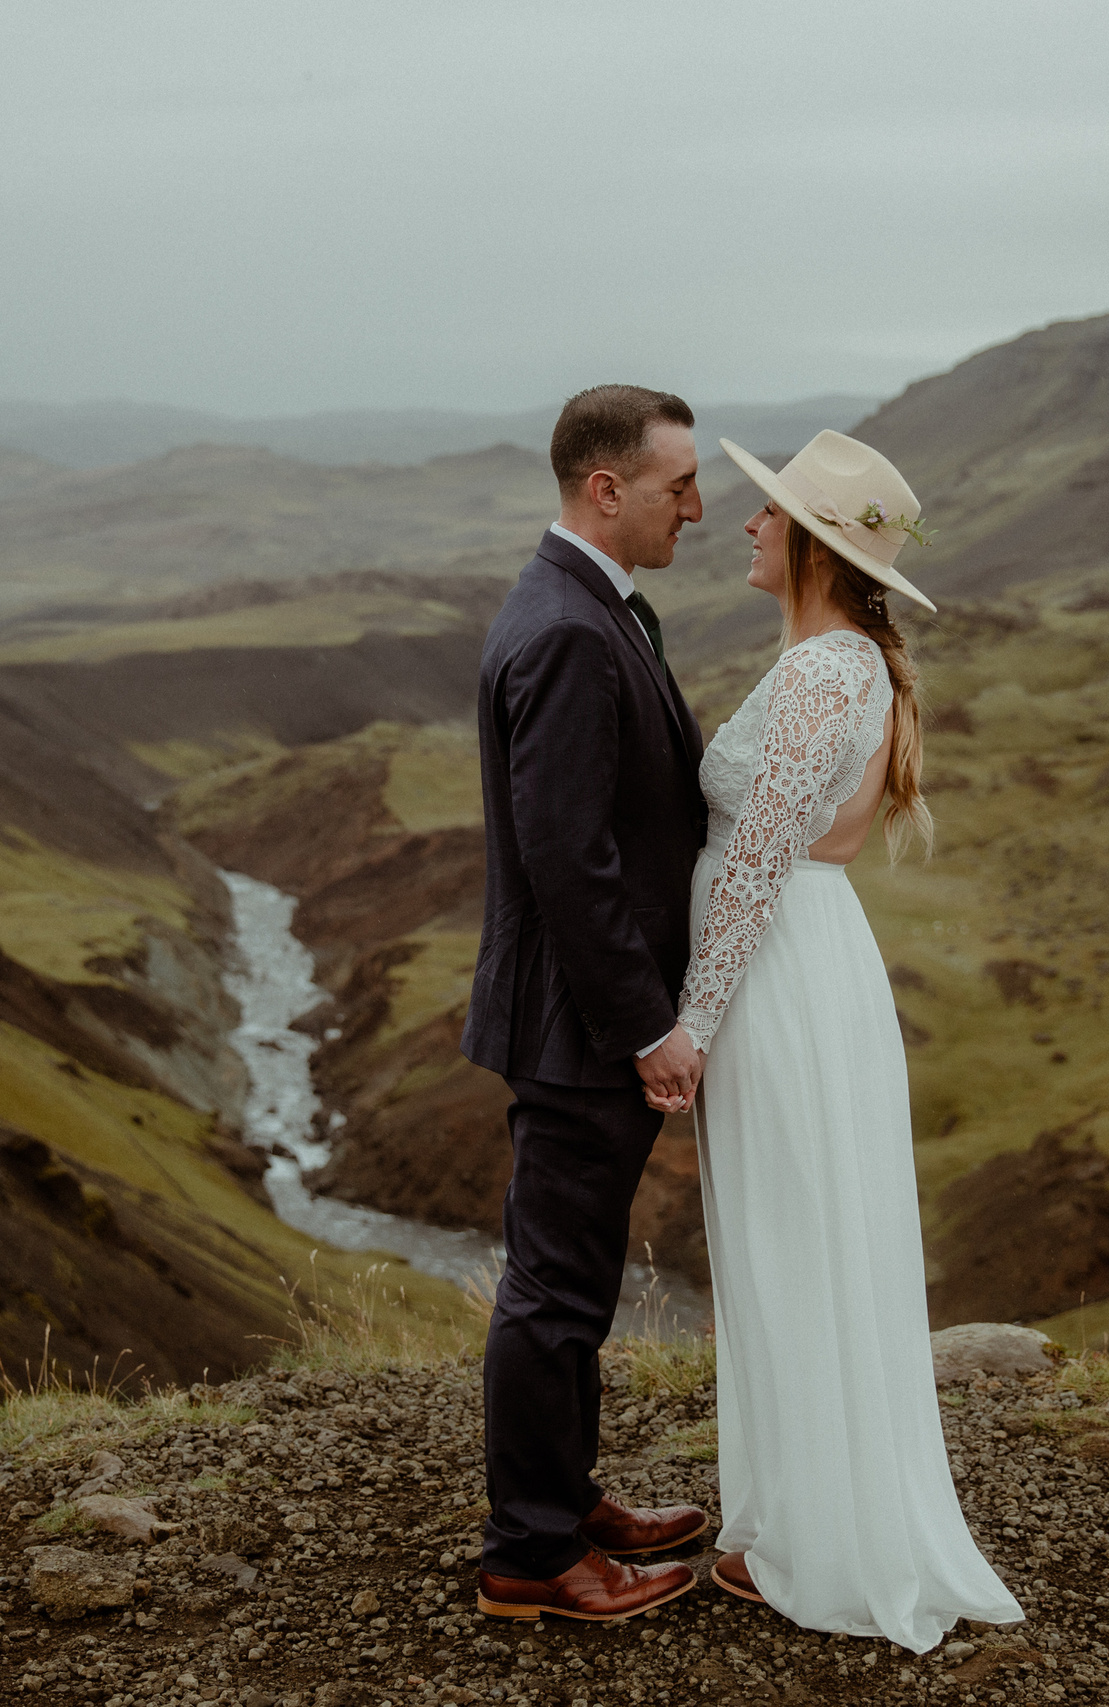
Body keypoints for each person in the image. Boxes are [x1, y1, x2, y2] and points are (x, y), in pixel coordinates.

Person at [670, 430, 1023, 1650]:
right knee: (794, 1241)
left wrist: (692, 1024)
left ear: (813, 544)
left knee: (793, 1244)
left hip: (781, 980)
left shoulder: (828, 672)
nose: (750, 524)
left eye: (772, 514)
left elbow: (759, 855)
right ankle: (790, 1515)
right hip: (800, 967)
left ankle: (818, 1544)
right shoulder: (842, 662)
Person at [461, 384, 715, 1622]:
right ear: (604, 489)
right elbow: (568, 855)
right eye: (679, 486)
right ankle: (531, 1557)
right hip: (578, 1028)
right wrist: (646, 1027)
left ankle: (564, 1500)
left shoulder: (585, 603)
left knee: (573, 1281)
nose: (699, 508)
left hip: (574, 1019)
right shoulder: (567, 629)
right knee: (555, 1290)